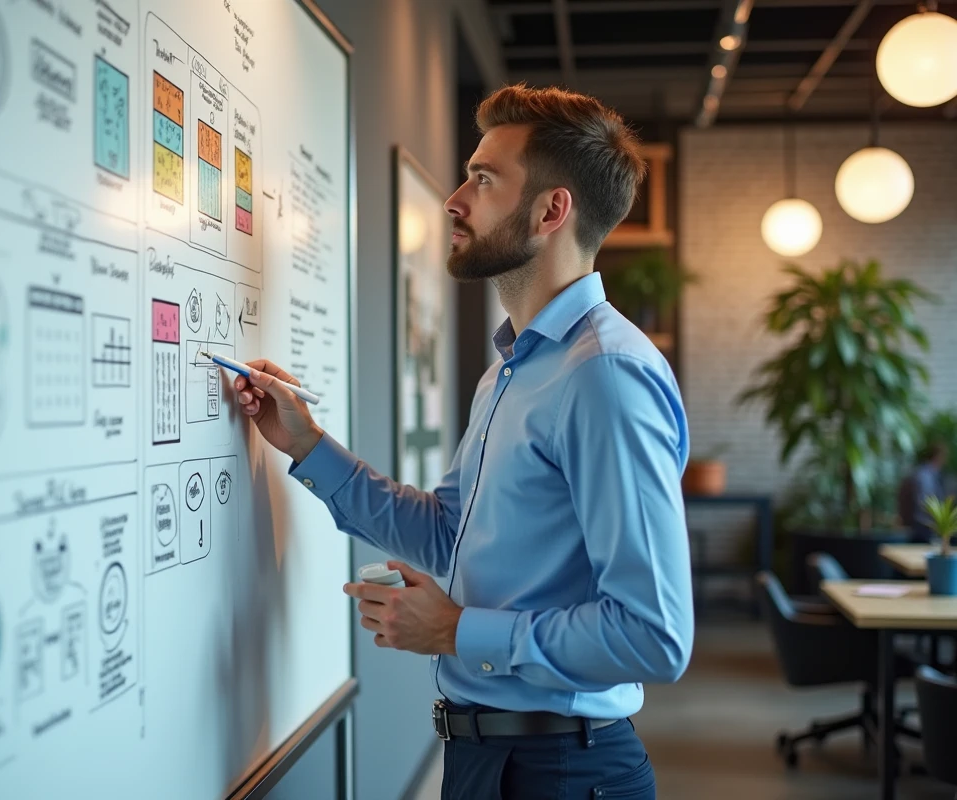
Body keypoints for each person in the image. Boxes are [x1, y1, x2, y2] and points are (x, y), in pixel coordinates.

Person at [230, 83, 693, 799]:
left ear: (551, 210)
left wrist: (457, 632)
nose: (453, 199)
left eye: (483, 180)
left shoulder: (604, 375)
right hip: (489, 759)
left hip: (564, 773)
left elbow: (653, 636)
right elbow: (448, 534)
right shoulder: (511, 368)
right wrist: (306, 443)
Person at [898, 442, 950, 543]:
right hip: (923, 528)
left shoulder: (925, 473)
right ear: (938, 456)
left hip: (920, 526)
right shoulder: (925, 476)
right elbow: (926, 502)